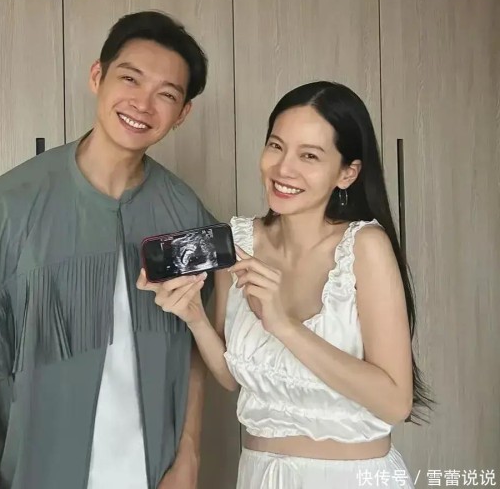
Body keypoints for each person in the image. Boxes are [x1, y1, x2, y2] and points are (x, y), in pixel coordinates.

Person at [0, 10, 217, 489]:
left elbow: (195, 344)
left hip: (152, 476)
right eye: (130, 78)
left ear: (182, 114)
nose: (143, 104)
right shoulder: (4, 210)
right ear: (97, 76)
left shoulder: (185, 213)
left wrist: (188, 455)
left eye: (166, 94)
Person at [138, 81, 432, 488]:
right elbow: (232, 377)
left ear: (347, 173)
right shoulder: (238, 241)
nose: (283, 169)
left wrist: (283, 325)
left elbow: (395, 402)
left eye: (309, 155)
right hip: (260, 475)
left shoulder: (365, 247)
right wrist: (194, 319)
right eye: (276, 146)